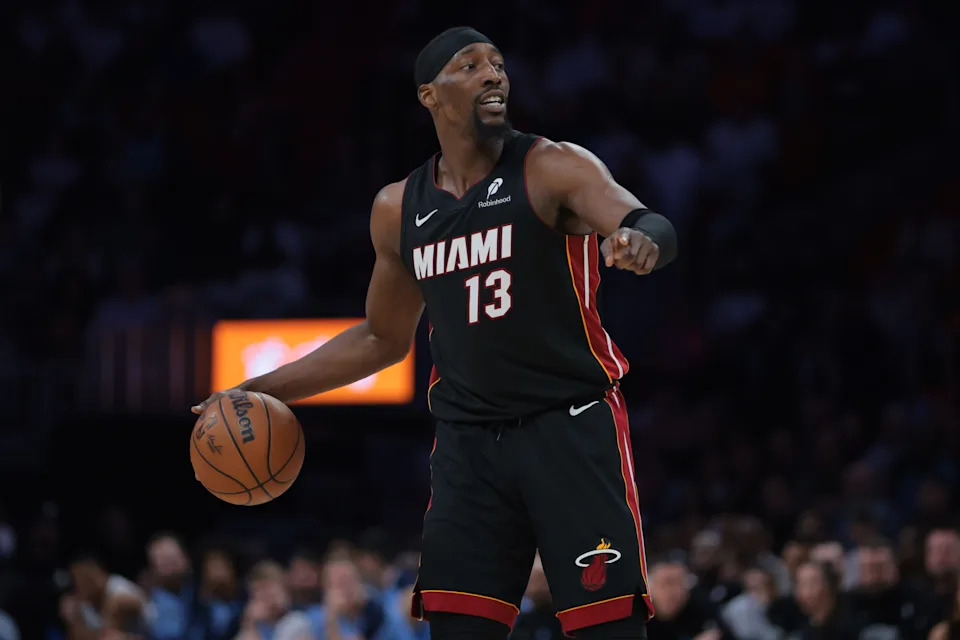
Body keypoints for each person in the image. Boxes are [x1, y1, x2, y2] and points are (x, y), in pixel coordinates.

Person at [194, 26, 677, 640]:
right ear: (430, 94)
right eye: (470, 66)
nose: (493, 74)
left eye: (498, 64)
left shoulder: (552, 167)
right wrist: (257, 390)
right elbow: (380, 339)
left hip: (571, 426)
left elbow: (647, 221)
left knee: (608, 630)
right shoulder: (398, 208)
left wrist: (640, 240)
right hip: (469, 446)